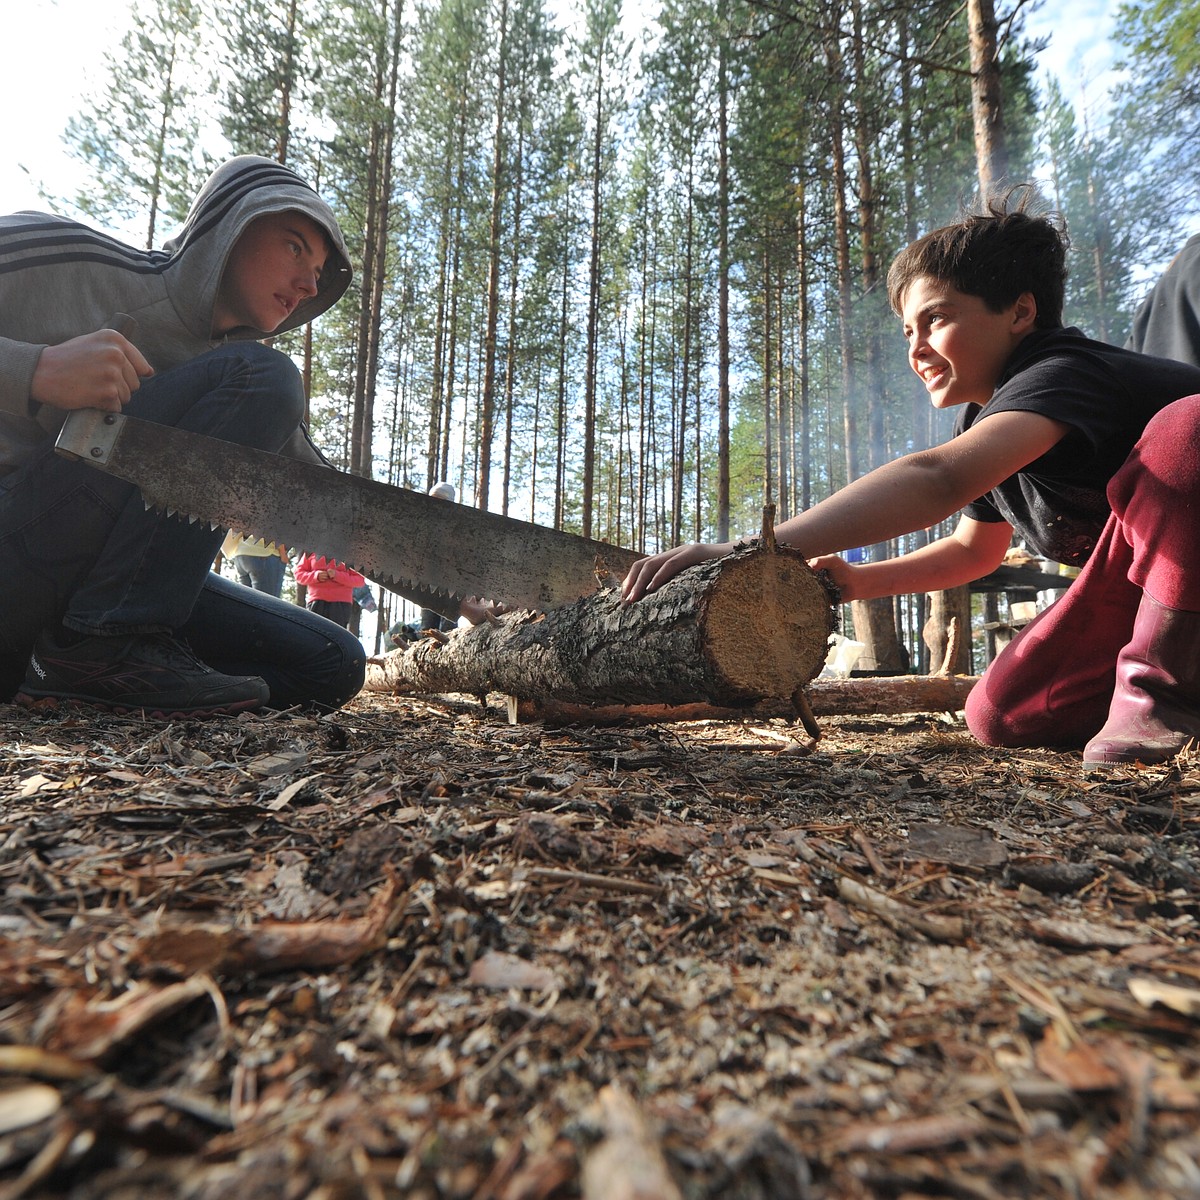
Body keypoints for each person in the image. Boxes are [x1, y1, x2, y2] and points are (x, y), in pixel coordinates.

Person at [622, 188, 1200, 770]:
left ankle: (1161, 701)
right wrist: (857, 582)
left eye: (936, 318)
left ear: (1021, 312)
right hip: (1163, 593)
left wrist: (748, 549)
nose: (917, 348)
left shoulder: (1062, 371)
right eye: (907, 331)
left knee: (1187, 429)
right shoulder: (994, 420)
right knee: (1002, 714)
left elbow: (938, 478)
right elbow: (972, 550)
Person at [0, 155, 367, 718]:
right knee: (265, 378)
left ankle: (76, 672)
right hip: (16, 551)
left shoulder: (236, 384)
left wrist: (462, 591)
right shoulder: (66, 257)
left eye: (319, 268)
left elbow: (342, 508)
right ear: (230, 227)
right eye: (295, 246)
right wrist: (35, 370)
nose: (310, 282)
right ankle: (104, 646)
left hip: (63, 608)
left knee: (331, 661)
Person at [294, 554, 365, 629]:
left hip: (341, 604)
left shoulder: (350, 553)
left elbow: (360, 580)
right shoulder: (312, 550)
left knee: (336, 635)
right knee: (314, 634)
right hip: (316, 601)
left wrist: (337, 575)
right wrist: (315, 576)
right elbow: (298, 574)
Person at [220, 531, 289, 598]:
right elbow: (277, 527)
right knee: (266, 603)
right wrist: (283, 553)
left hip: (241, 553)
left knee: (246, 602)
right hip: (263, 553)